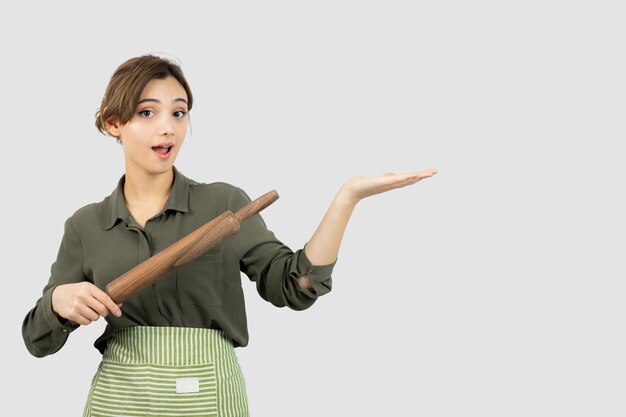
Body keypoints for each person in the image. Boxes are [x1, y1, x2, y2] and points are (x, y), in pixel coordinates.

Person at [22, 54, 437, 417]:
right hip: (121, 396)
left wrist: (347, 199)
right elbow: (38, 340)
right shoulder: (86, 224)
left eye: (178, 113)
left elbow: (296, 285)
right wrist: (58, 303)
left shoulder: (223, 203)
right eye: (148, 113)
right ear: (114, 122)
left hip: (208, 392)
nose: (167, 127)